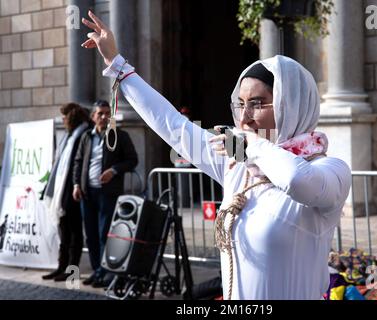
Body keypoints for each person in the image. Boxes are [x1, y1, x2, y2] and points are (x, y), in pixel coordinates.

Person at [81, 11, 351, 299]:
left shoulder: (328, 168)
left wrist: (252, 145)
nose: (244, 117)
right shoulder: (238, 163)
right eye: (240, 104)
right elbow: (175, 127)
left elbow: (298, 180)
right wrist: (118, 66)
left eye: (257, 104)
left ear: (291, 106)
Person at [72, 99, 138, 287]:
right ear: (93, 117)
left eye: (107, 113)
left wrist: (114, 170)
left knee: (104, 234)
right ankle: (97, 271)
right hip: (87, 193)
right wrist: (76, 184)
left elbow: (132, 160)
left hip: (108, 194)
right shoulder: (86, 137)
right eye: (100, 113)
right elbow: (78, 161)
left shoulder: (120, 136)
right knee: (91, 236)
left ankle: (106, 272)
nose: (104, 117)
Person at [42, 103, 91, 281]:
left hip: (73, 189)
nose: (62, 120)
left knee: (74, 231)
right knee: (64, 231)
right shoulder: (69, 135)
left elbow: (77, 162)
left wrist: (76, 184)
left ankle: (72, 270)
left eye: (64, 116)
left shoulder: (83, 134)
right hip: (63, 189)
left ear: (71, 117)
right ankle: (61, 266)